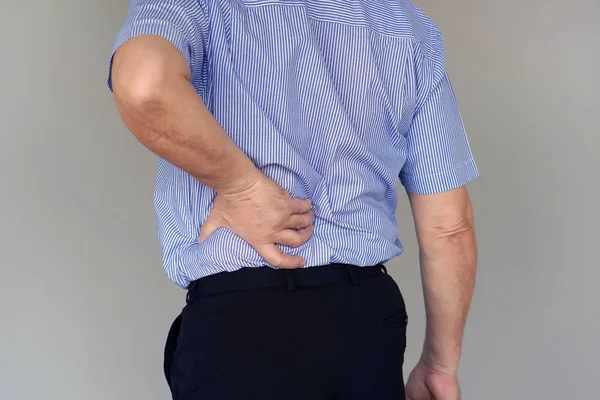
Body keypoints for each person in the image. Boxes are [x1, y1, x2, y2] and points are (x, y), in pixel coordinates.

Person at [108, 0, 478, 399]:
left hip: (240, 327)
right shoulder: (407, 26)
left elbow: (143, 82)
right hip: (365, 325)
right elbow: (450, 227)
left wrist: (241, 186)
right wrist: (439, 366)